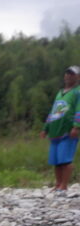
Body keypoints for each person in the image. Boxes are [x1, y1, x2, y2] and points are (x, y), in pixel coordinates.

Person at [40, 65, 80, 195]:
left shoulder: (77, 92)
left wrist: (76, 126)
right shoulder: (60, 93)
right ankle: (57, 184)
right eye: (67, 73)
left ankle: (64, 186)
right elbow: (53, 111)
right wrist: (45, 128)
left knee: (65, 160)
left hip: (67, 131)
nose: (68, 76)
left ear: (77, 77)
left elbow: (79, 110)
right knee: (56, 160)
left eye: (72, 74)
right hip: (54, 131)